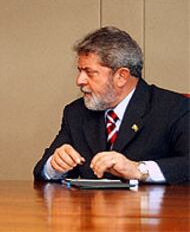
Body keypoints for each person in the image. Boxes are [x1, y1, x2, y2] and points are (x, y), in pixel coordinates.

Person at [33, 26, 189, 184]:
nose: (79, 81)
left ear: (121, 76)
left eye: (89, 72)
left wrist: (138, 169)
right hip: (92, 208)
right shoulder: (76, 113)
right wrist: (55, 165)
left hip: (153, 208)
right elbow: (41, 172)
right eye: (80, 71)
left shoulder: (175, 108)